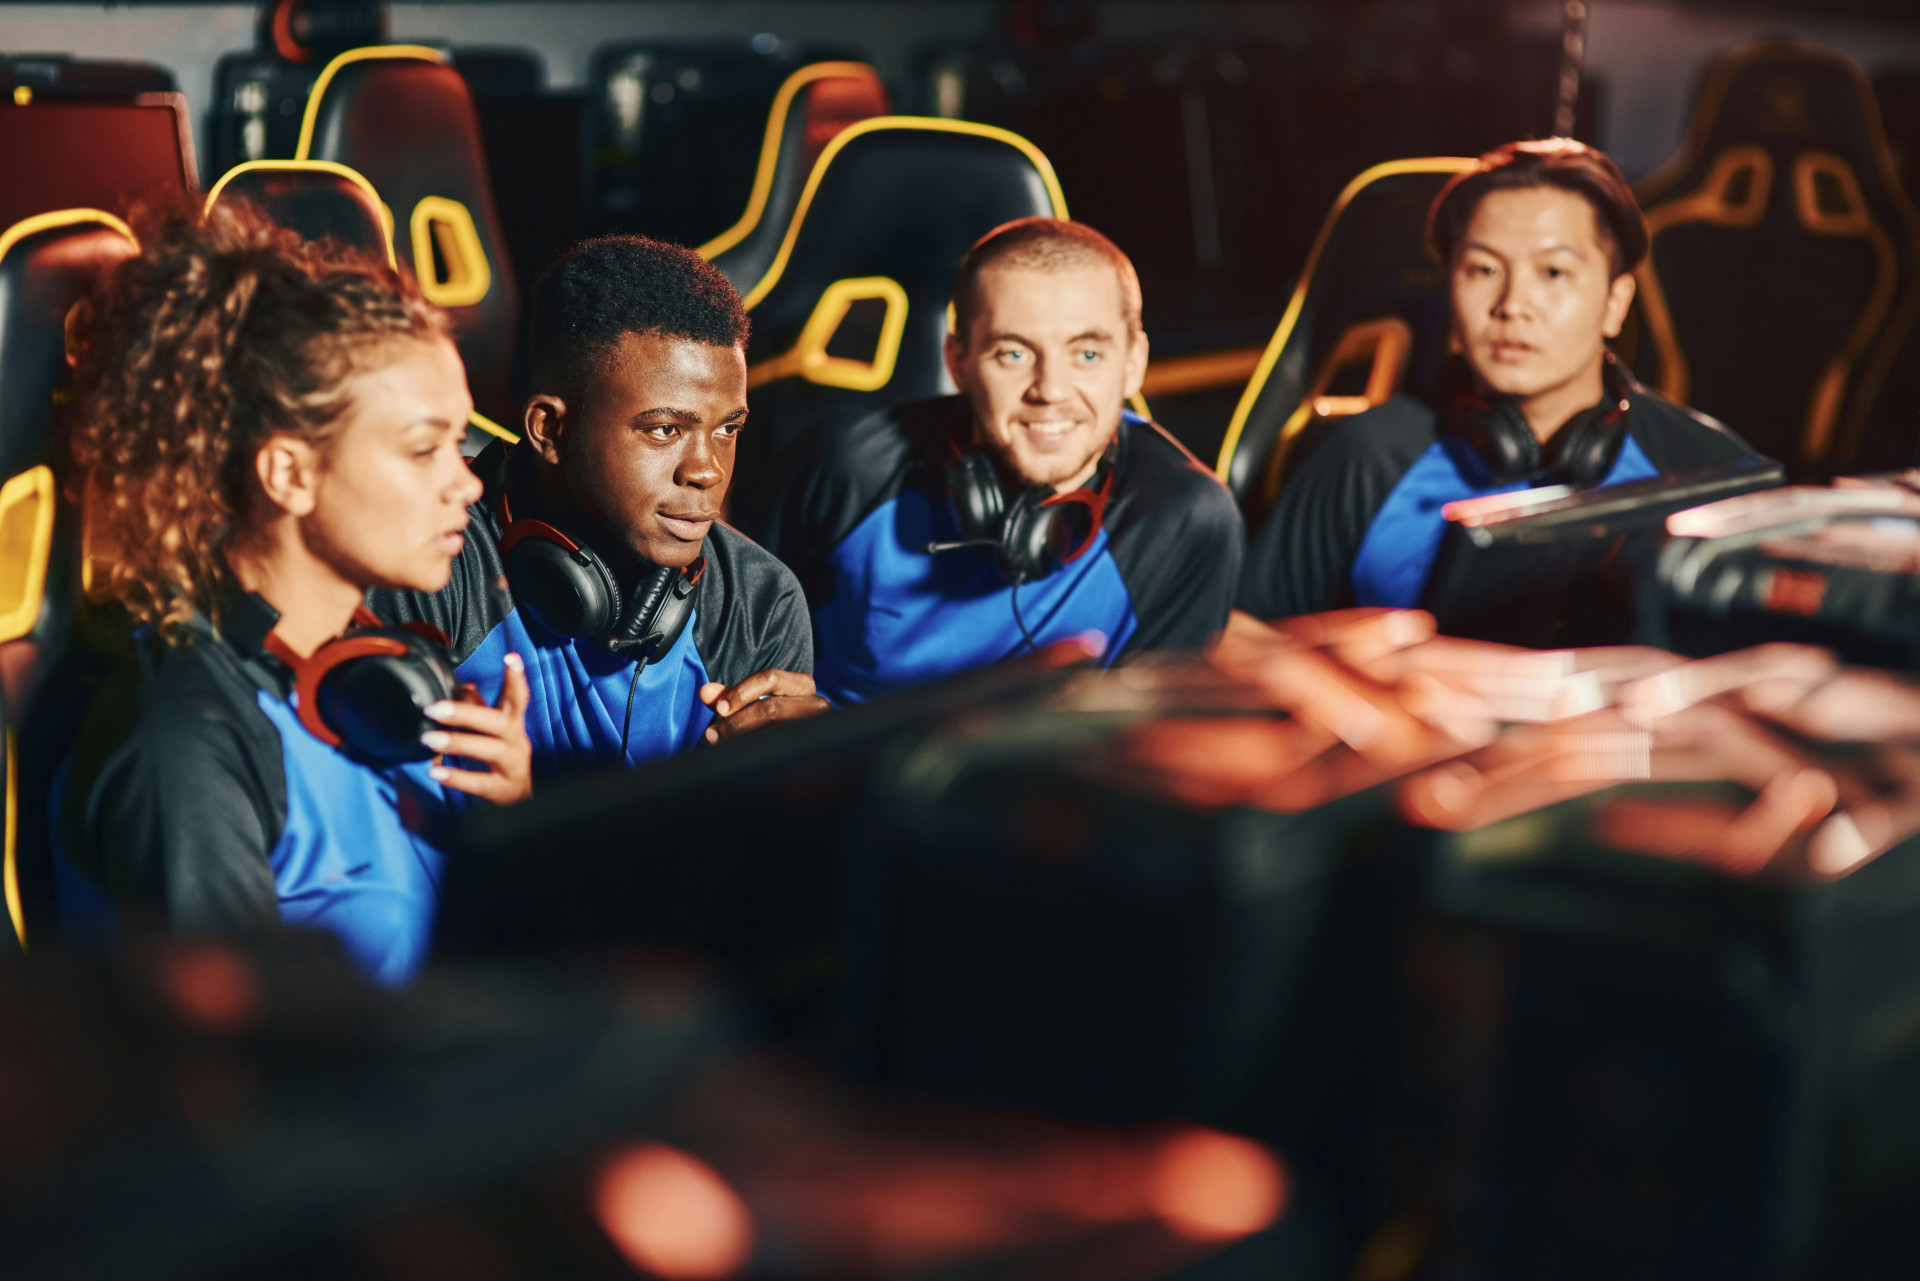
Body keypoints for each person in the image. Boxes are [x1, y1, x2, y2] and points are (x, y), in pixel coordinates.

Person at [65, 201, 532, 986]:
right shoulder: (188, 744)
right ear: (289, 473)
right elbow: (229, 1050)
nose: (468, 483)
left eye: (459, 443)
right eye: (425, 450)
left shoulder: (373, 675)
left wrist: (509, 822)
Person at [1238, 138, 1758, 620]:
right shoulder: (1368, 458)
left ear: (1615, 303)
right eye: (1484, 270)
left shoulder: (1707, 470)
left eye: (1552, 273)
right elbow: (1243, 635)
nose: (1512, 306)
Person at [369, 236, 824, 779]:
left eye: (728, 429)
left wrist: (802, 794)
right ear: (550, 430)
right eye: (665, 429)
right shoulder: (424, 561)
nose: (707, 470)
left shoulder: (759, 601)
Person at [761, 217, 1245, 705]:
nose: (1050, 390)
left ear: (1134, 362)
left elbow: (1152, 731)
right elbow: (738, 629)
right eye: (1013, 354)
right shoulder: (850, 465)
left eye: (1087, 355)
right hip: (839, 749)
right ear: (958, 362)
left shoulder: (1186, 517)